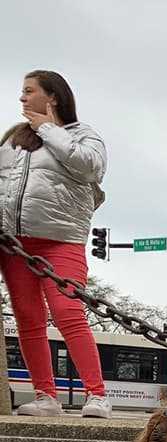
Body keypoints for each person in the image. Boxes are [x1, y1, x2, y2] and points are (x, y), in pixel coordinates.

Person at [0, 70, 110, 418]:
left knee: (68, 313)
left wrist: (48, 129)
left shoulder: (82, 135)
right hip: (14, 243)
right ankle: (46, 395)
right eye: (21, 92)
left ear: (53, 97)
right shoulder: (13, 138)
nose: (22, 98)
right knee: (28, 320)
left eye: (29, 91)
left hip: (61, 240)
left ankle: (97, 395)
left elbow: (90, 167)